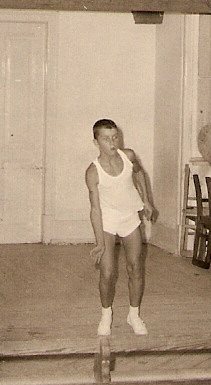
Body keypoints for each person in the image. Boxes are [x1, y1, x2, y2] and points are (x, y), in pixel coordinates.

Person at [85, 119, 154, 336]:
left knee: (135, 268)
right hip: (107, 221)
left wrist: (146, 200)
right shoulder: (93, 172)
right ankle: (106, 315)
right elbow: (95, 210)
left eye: (115, 137)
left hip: (130, 217)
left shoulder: (129, 156)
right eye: (106, 139)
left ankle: (134, 315)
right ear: (96, 142)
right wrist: (99, 242)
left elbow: (139, 173)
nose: (112, 143)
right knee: (107, 273)